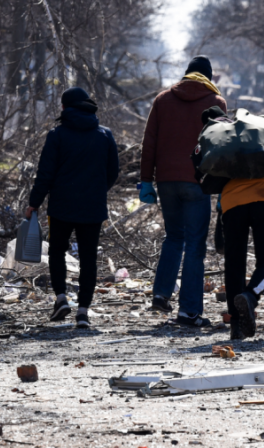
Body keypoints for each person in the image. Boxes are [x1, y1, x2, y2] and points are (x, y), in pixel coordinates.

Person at [139, 56, 227, 327]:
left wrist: (146, 180)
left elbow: (149, 142)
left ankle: (161, 294)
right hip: (197, 182)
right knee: (195, 246)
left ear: (186, 74)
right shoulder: (216, 102)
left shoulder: (163, 99)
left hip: (166, 181)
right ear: (209, 77)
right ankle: (189, 311)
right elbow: (222, 145)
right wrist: (223, 186)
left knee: (173, 237)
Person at [25, 87, 120, 328]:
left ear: (65, 108)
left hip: (61, 206)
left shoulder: (57, 135)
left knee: (57, 251)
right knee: (89, 258)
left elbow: (45, 174)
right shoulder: (104, 135)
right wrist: (97, 190)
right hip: (93, 207)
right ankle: (83, 312)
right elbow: (113, 173)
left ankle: (61, 299)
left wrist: (34, 203)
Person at [209, 115, 264, 340]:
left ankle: (237, 326)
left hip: (232, 202)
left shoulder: (224, 133)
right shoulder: (262, 128)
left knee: (234, 263)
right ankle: (251, 295)